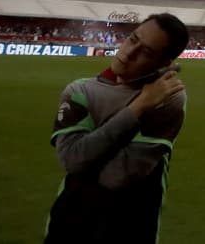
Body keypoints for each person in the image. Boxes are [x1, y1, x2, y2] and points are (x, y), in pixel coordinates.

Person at [45, 13, 189, 243]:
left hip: (132, 226)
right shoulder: (80, 91)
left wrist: (90, 152)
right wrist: (138, 107)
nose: (129, 52)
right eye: (133, 39)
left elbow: (118, 176)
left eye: (146, 52)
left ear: (165, 64)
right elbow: (72, 159)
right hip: (70, 221)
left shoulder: (168, 99)